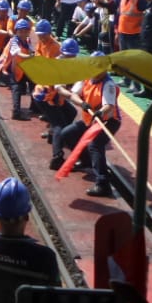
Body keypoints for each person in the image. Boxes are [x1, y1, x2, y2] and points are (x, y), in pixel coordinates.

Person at [51, 54, 122, 197]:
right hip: (90, 119)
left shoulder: (108, 84)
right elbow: (73, 95)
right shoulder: (86, 78)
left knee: (95, 145)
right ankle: (86, 161)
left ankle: (103, 184)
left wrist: (100, 112)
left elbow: (109, 106)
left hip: (107, 121)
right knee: (67, 134)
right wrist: (82, 104)